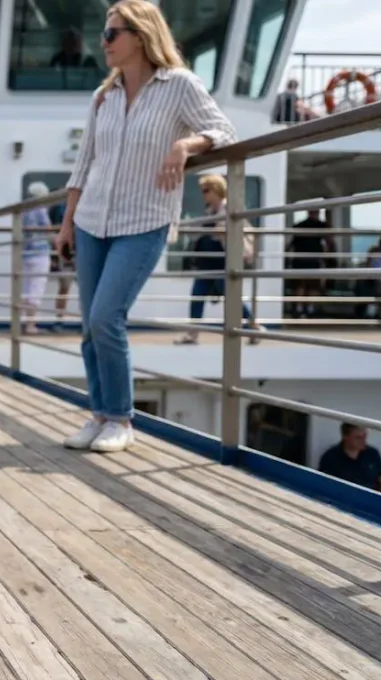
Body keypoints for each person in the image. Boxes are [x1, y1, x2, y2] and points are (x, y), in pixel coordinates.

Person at [54, 0, 238, 453]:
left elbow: (223, 131)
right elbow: (85, 164)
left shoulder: (179, 85)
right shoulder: (105, 96)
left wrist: (185, 145)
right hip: (93, 219)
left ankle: (121, 418)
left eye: (112, 33)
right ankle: (98, 415)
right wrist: (67, 223)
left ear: (140, 35)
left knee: (106, 317)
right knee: (89, 326)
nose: (104, 42)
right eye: (104, 33)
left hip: (145, 220)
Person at [174, 174, 263, 345]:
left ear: (216, 190)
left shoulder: (231, 209)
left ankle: (254, 328)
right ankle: (192, 334)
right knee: (197, 297)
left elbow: (240, 231)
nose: (203, 195)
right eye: (202, 191)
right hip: (206, 265)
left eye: (206, 191)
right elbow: (198, 232)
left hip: (223, 264)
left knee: (232, 299)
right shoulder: (210, 212)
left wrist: (221, 232)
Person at [287, 209, 335, 318]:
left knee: (301, 285)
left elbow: (292, 242)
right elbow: (329, 237)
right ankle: (308, 308)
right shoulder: (321, 225)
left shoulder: (299, 225)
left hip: (300, 258)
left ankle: (299, 308)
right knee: (311, 285)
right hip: (313, 258)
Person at [20, 181, 53, 334]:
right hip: (40, 252)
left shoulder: (23, 210)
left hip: (26, 253)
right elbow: (47, 229)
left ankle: (23, 322)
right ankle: (30, 325)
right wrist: (58, 240)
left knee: (26, 288)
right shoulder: (40, 209)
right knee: (36, 289)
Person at [318, 423, 381, 493]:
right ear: (345, 436)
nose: (363, 441)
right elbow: (323, 485)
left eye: (365, 436)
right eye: (358, 437)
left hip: (371, 500)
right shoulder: (330, 457)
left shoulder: (372, 454)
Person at [48, 199, 75, 331]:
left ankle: (59, 321)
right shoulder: (58, 208)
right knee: (64, 289)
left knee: (64, 289)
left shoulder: (58, 207)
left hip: (73, 254)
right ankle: (59, 321)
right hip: (70, 254)